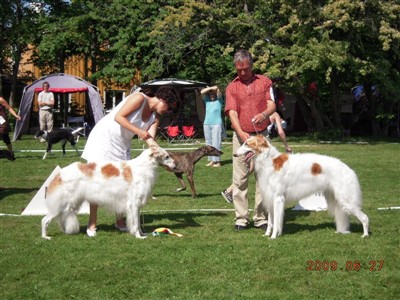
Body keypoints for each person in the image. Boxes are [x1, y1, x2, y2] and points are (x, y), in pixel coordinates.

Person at [81, 87, 179, 237]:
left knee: (124, 184)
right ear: (163, 100)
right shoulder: (139, 98)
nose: (168, 111)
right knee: (96, 181)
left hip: (122, 144)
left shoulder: (155, 118)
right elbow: (119, 117)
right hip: (104, 139)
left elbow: (151, 142)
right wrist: (139, 131)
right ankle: (92, 222)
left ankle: (120, 221)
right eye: (169, 107)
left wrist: (164, 160)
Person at [224, 49, 276, 230]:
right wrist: (241, 133)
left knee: (263, 177)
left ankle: (260, 218)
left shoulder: (265, 82)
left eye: (245, 69)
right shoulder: (232, 87)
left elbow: (272, 105)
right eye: (239, 70)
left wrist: (264, 115)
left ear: (251, 65)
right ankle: (241, 218)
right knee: (240, 178)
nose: (242, 73)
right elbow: (232, 112)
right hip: (241, 137)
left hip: (262, 138)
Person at [201, 85, 224, 167]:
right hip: (207, 123)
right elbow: (202, 92)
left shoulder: (219, 101)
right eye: (210, 94)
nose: (212, 95)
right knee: (208, 142)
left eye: (213, 94)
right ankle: (211, 160)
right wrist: (210, 88)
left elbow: (219, 92)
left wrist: (215, 88)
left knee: (216, 142)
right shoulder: (207, 101)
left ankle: (217, 161)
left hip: (216, 123)